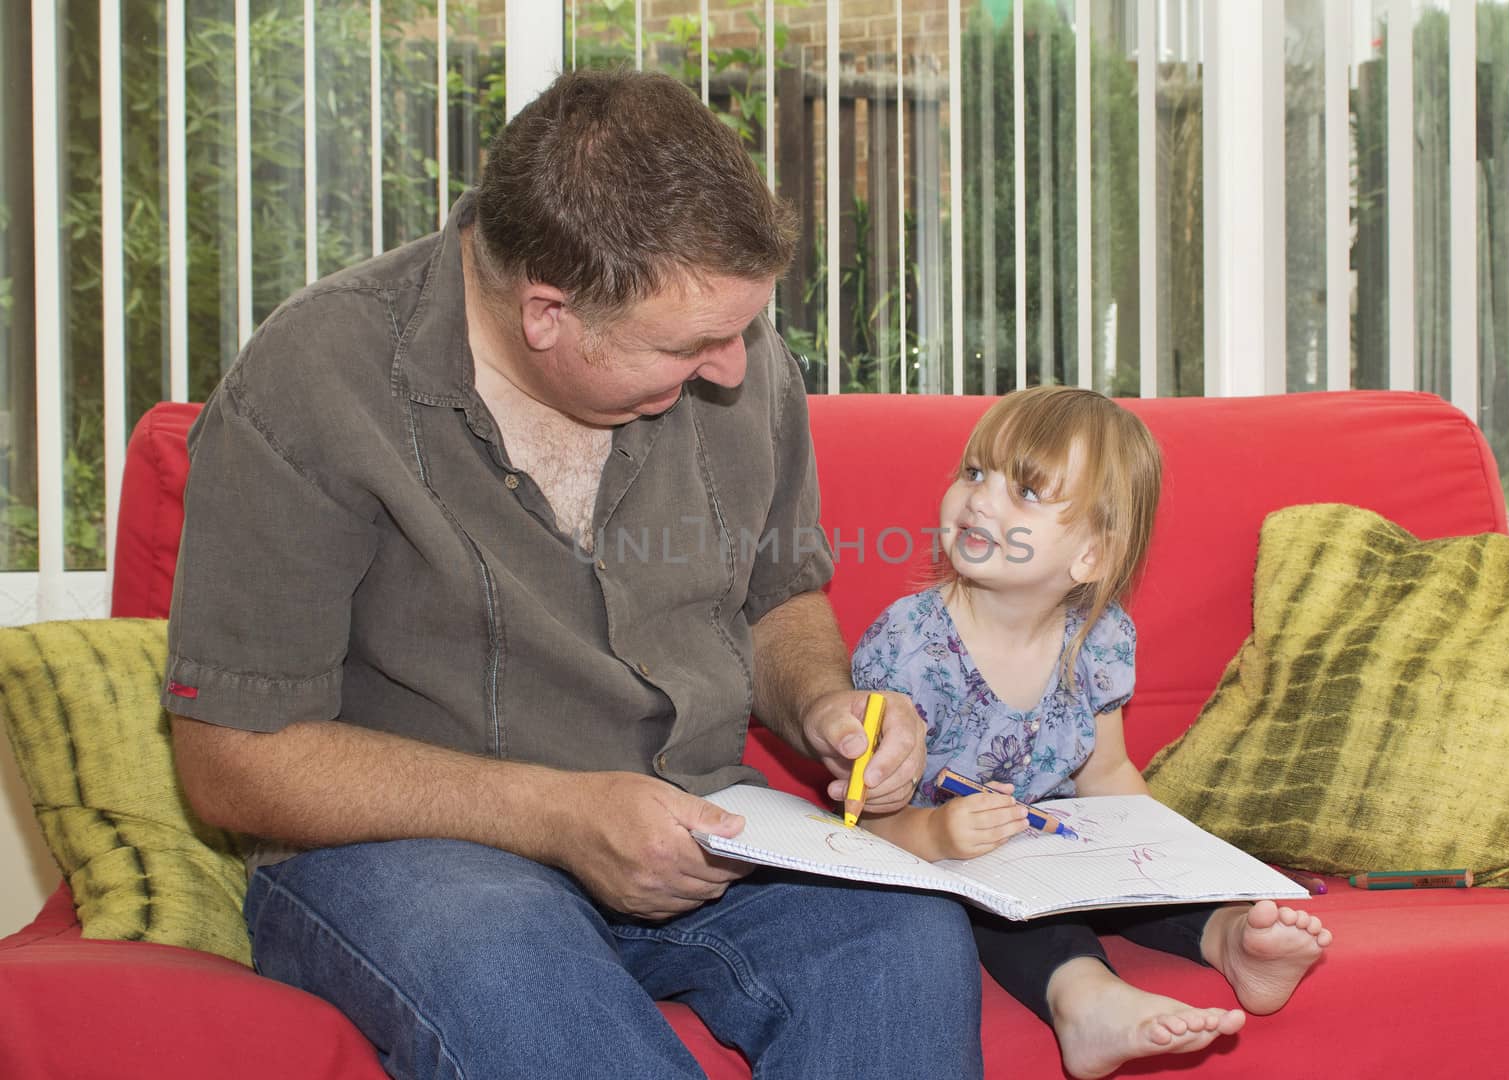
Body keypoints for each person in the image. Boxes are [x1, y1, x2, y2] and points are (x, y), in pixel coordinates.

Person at [162, 69, 981, 1079]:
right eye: (689, 344)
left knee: (901, 937)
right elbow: (230, 758)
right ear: (544, 311)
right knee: (517, 973)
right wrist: (557, 814)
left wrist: (823, 701)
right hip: (417, 854)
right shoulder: (312, 381)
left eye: (740, 331)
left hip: (704, 822)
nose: (732, 367)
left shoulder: (734, 353)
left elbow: (776, 599)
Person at [850, 385, 1332, 1080]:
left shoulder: (1099, 639)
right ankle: (1085, 1000)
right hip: (938, 862)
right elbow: (859, 822)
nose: (981, 500)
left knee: (1125, 869)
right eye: (975, 472)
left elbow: (1106, 775)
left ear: (1091, 559)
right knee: (997, 899)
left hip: (1052, 842)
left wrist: (1170, 854)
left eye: (1027, 492)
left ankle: (1229, 939)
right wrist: (938, 835)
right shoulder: (909, 647)